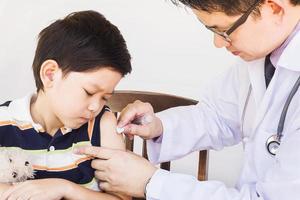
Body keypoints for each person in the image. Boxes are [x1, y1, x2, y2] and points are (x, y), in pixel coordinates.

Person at [76, 0, 300, 199]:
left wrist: (151, 183)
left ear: (274, 9)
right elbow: (216, 116)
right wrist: (159, 127)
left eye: (223, 31)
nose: (218, 43)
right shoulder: (262, 56)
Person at [0, 10, 132, 200]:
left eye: (105, 97)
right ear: (50, 74)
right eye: (89, 92)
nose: (95, 106)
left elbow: (123, 198)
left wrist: (66, 189)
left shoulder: (103, 125)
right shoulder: (4, 121)